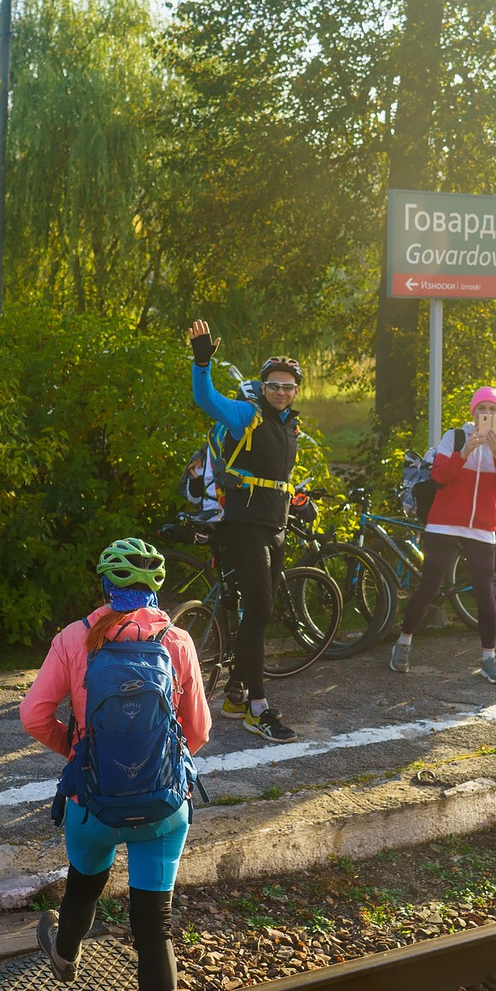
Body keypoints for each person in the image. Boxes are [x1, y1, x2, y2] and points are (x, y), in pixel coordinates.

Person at [23, 536, 210, 991]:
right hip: (161, 808)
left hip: (93, 805)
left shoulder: (74, 638)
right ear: (155, 589)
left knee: (85, 884)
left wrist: (79, 752)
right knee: (153, 927)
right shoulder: (176, 641)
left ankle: (65, 953)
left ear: (105, 586)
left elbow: (33, 715)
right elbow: (196, 734)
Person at [184, 318, 303, 744]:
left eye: (288, 386)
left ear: (295, 391)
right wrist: (202, 364)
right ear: (263, 386)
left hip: (275, 528)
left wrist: (298, 499)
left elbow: (276, 476)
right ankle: (258, 706)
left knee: (257, 613)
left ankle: (234, 695)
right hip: (245, 528)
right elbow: (206, 398)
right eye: (274, 385)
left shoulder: (289, 427)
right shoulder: (246, 415)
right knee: (261, 612)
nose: (280, 392)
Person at [390, 387, 496, 683]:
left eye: (492, 409)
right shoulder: (455, 437)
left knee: (486, 593)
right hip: (444, 523)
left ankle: (489, 659)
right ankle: (403, 644)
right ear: (473, 412)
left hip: (482, 527)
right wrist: (466, 451)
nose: (487, 413)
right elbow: (439, 476)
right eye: (481, 408)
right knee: (429, 586)